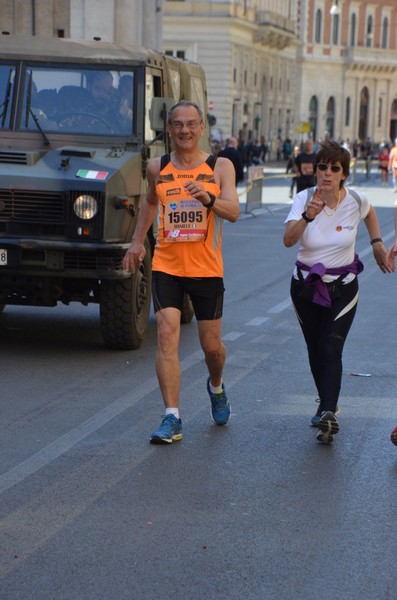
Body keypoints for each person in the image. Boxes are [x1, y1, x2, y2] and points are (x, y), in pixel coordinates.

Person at [123, 100, 240, 444]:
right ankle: (171, 416)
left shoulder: (220, 166)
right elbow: (149, 202)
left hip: (206, 269)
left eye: (191, 124)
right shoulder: (157, 167)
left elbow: (232, 211)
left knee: (212, 347)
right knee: (166, 335)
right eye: (178, 124)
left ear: (201, 127)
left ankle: (216, 386)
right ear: (169, 130)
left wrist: (207, 198)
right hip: (167, 265)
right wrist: (137, 242)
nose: (185, 130)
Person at [283, 140, 391, 444]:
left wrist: (377, 242)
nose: (327, 173)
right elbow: (288, 241)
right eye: (322, 166)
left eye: (334, 168)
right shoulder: (303, 198)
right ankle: (324, 402)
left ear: (343, 174)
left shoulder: (355, 199)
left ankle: (329, 412)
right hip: (305, 287)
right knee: (315, 349)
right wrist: (307, 216)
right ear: (315, 170)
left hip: (343, 288)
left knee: (331, 347)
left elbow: (369, 214)